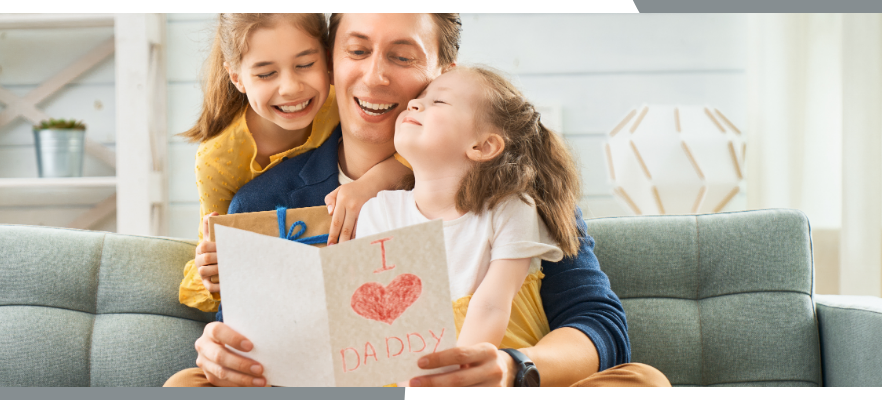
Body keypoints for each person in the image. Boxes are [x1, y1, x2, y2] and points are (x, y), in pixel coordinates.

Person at [167, 13, 670, 387]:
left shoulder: (516, 182)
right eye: (357, 51)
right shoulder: (265, 199)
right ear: (330, 63)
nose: (376, 76)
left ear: (442, 71)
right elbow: (244, 334)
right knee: (187, 385)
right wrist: (220, 352)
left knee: (642, 380)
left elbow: (598, 323)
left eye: (403, 56)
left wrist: (514, 369)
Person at [355, 65, 577, 387]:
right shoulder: (379, 212)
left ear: (484, 146)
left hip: (490, 369)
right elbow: (375, 321)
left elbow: (491, 305)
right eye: (419, 99)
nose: (414, 105)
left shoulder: (509, 207)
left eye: (439, 103)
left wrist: (455, 378)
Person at [176, 13, 409, 315]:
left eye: (304, 65)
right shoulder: (217, 159)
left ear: (327, 61)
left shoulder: (347, 98)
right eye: (265, 74)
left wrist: (373, 182)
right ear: (236, 77)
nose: (290, 88)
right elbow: (215, 239)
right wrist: (211, 268)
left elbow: (427, 138)